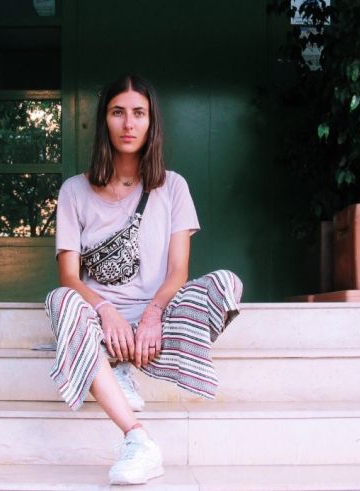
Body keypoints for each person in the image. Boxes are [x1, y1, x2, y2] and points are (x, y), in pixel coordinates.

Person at [44, 74, 243, 485]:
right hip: (98, 318)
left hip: (157, 315)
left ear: (151, 123)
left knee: (227, 283)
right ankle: (137, 438)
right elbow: (68, 276)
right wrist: (106, 311)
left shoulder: (173, 187)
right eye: (118, 113)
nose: (129, 124)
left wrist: (153, 313)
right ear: (105, 122)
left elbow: (178, 273)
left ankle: (120, 362)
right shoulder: (74, 191)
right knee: (58, 300)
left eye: (139, 113)